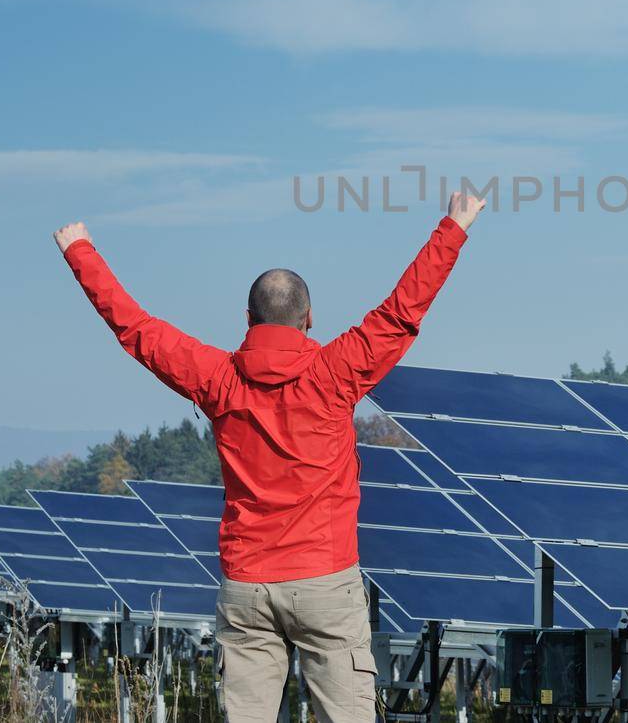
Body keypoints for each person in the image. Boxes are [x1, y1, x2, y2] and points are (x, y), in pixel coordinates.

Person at [51, 193, 486, 722]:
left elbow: (138, 330)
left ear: (248, 318)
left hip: (248, 584)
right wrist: (454, 226)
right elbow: (401, 311)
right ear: (309, 318)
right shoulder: (335, 370)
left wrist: (80, 251)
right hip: (326, 578)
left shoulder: (217, 377)